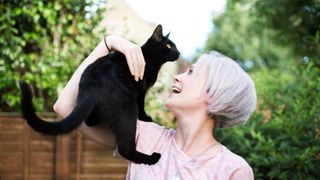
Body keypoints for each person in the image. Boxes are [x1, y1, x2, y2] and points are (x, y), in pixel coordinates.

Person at [53, 34, 257, 180]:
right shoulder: (146, 137)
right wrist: (109, 43)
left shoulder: (233, 170)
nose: (177, 76)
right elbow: (64, 108)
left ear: (215, 94)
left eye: (191, 73)